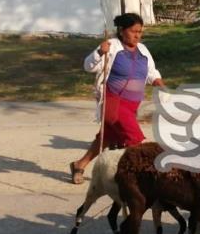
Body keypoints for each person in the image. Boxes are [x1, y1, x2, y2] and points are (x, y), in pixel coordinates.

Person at [69, 13, 165, 184]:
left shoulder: (143, 50)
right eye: (134, 31)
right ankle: (141, 176)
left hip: (133, 103)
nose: (137, 35)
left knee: (107, 137)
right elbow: (88, 66)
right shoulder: (111, 46)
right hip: (114, 101)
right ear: (122, 31)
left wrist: (158, 82)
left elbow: (151, 71)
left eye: (140, 32)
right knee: (135, 138)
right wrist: (99, 52)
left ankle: (79, 164)